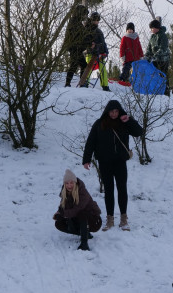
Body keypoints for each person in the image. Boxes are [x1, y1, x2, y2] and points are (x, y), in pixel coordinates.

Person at [82, 100, 143, 231]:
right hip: (104, 162)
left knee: (122, 189)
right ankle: (110, 219)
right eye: (111, 111)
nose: (114, 114)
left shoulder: (124, 123)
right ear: (107, 111)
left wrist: (129, 121)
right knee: (109, 190)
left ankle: (123, 219)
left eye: (116, 111)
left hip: (120, 161)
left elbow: (139, 132)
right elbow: (91, 141)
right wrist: (86, 159)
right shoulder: (99, 124)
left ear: (119, 111)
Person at [54, 169, 101, 251]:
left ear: (75, 182)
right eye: (67, 183)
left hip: (94, 220)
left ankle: (84, 244)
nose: (69, 185)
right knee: (59, 223)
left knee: (82, 213)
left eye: (71, 182)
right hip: (79, 218)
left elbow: (77, 209)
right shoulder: (65, 192)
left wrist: (63, 213)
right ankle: (85, 233)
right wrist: (59, 213)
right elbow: (63, 207)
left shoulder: (82, 191)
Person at [62, 4, 90, 88]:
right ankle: (69, 83)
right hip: (75, 47)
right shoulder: (74, 22)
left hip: (77, 47)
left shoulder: (76, 22)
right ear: (80, 13)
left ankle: (80, 83)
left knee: (82, 65)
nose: (84, 16)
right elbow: (77, 36)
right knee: (75, 65)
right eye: (84, 14)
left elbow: (83, 35)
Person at [80, 11, 110, 91]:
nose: (96, 22)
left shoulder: (99, 31)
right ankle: (84, 83)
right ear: (92, 20)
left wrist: (106, 52)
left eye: (97, 20)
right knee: (88, 67)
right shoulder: (87, 29)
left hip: (100, 53)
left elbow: (103, 43)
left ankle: (105, 86)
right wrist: (92, 47)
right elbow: (85, 42)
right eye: (95, 20)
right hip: (90, 53)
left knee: (103, 68)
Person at [145, 18, 170, 93]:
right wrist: (147, 55)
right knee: (154, 74)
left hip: (163, 59)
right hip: (155, 60)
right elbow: (149, 48)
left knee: (162, 74)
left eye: (152, 28)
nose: (151, 30)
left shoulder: (163, 36)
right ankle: (155, 89)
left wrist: (154, 56)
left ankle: (165, 90)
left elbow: (163, 48)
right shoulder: (152, 37)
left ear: (156, 28)